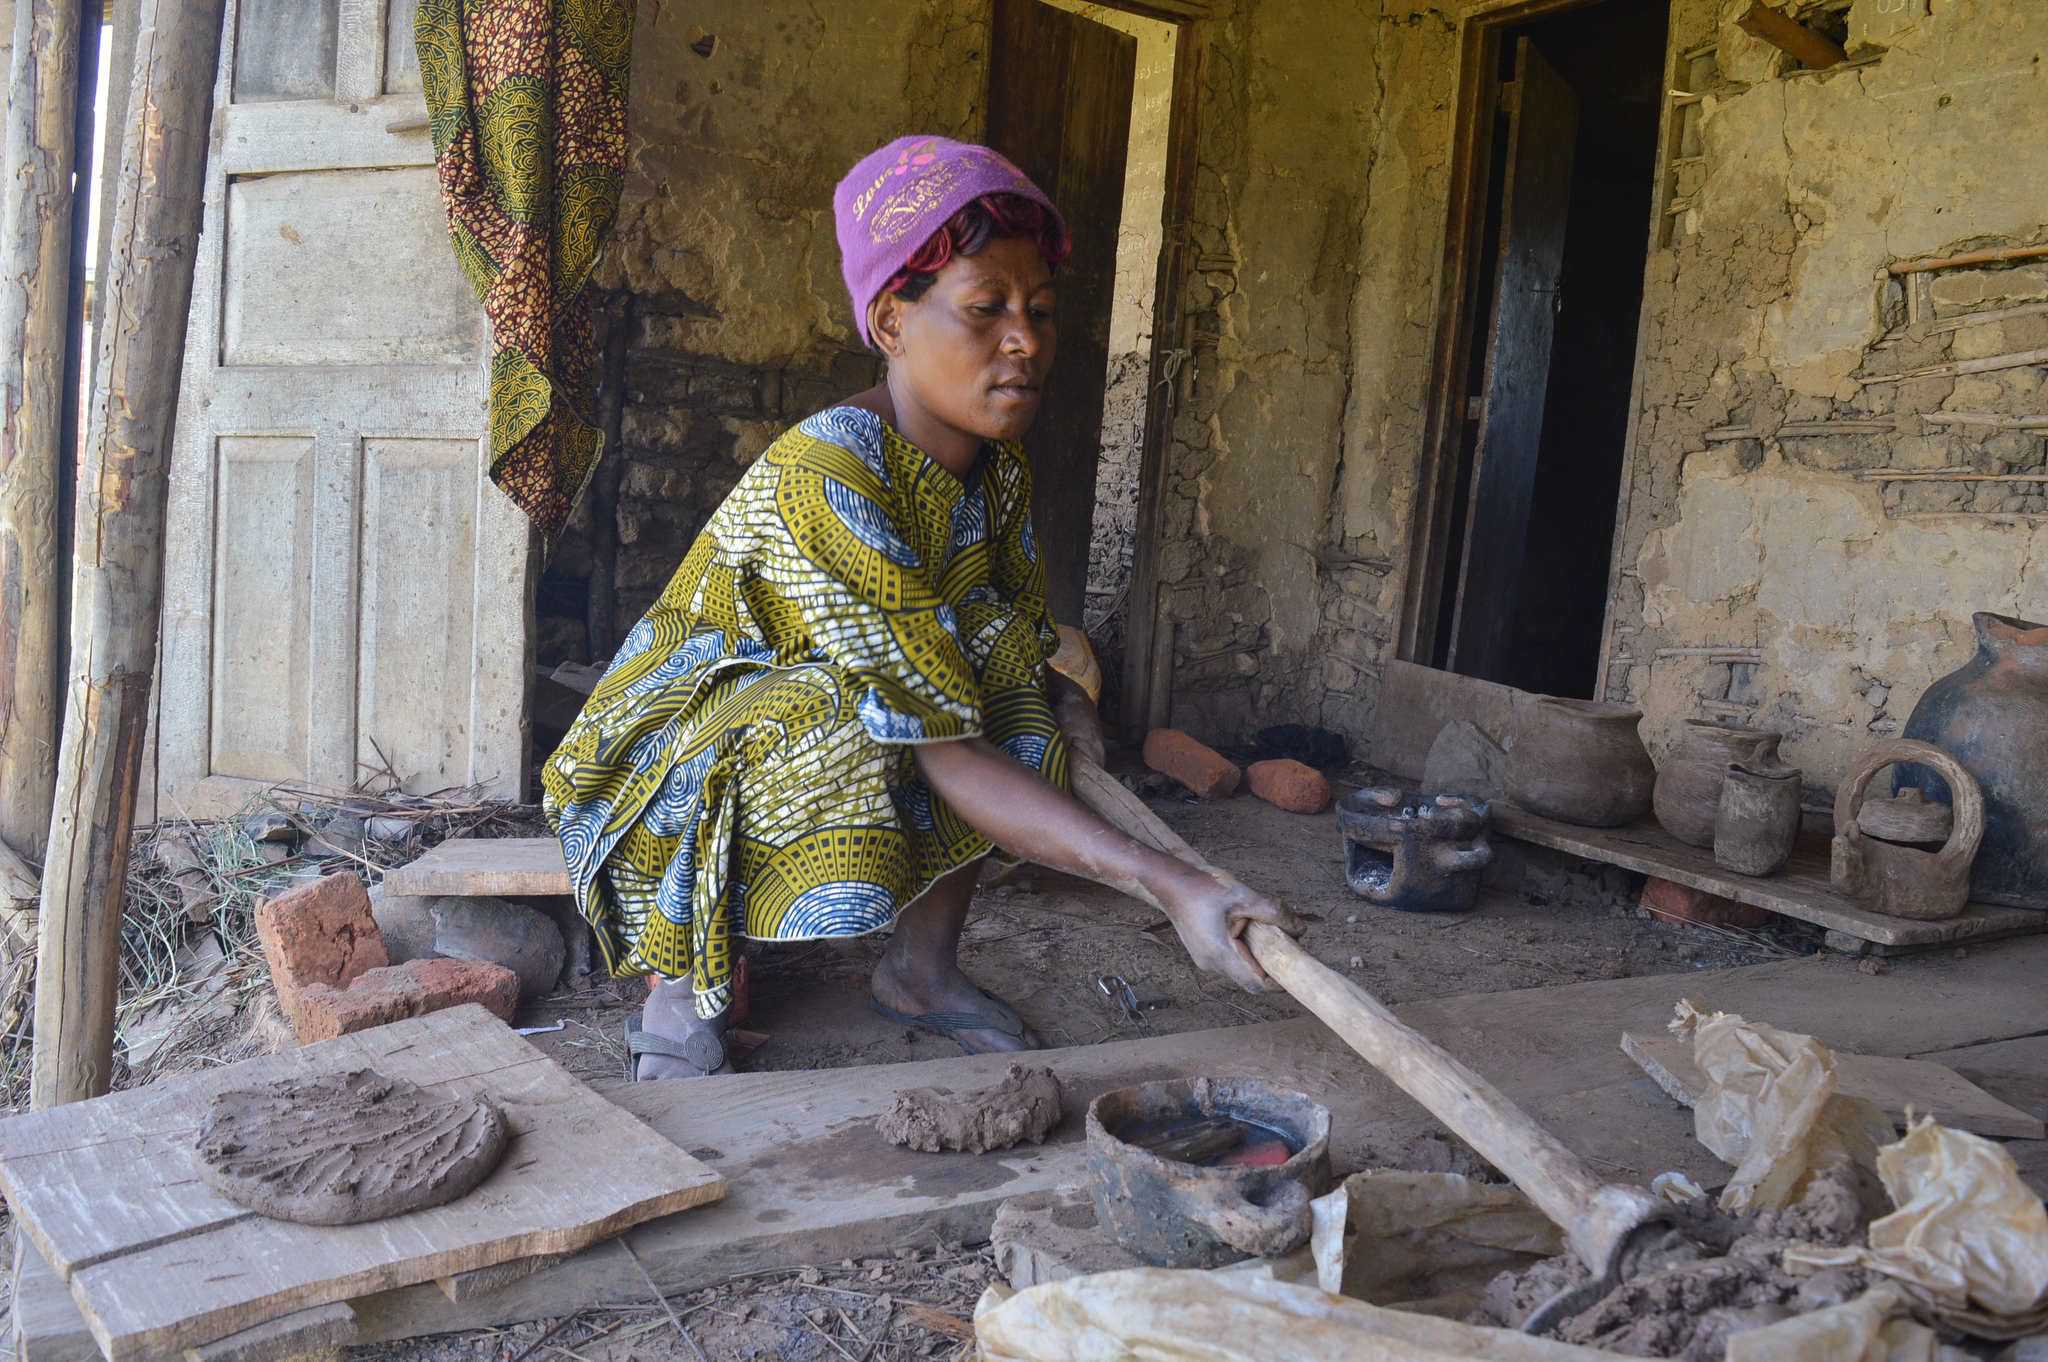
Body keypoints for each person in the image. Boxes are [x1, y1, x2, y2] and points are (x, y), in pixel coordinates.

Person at [542, 136, 1299, 1079]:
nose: (1025, 340)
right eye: (985, 310)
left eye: (1041, 311)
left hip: (881, 699)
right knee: (839, 717)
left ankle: (920, 973)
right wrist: (1170, 882)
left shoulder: (994, 470)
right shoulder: (831, 474)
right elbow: (942, 742)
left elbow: (1015, 642)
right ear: (893, 324)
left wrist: (1068, 721)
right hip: (674, 757)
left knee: (1006, 685)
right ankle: (679, 979)